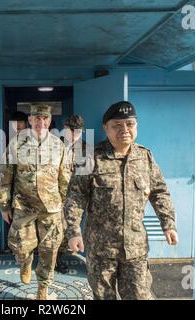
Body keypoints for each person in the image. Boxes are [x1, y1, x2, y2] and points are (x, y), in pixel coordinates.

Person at [64, 101, 178, 300]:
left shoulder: (145, 157)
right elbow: (76, 196)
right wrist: (73, 232)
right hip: (101, 249)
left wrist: (168, 224)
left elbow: (159, 192)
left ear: (136, 126)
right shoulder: (89, 157)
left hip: (135, 248)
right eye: (117, 125)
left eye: (129, 124)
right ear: (105, 128)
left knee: (139, 296)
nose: (124, 130)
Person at [0, 103, 70, 300]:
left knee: (50, 250)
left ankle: (42, 290)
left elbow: (64, 178)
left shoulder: (58, 145)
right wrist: (4, 204)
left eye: (44, 118)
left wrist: (62, 205)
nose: (41, 121)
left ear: (49, 120)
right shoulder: (15, 144)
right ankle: (25, 263)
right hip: (24, 205)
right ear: (30, 120)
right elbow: (5, 177)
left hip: (51, 207)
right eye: (36, 117)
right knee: (19, 245)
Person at [55, 115, 87, 274]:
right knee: (57, 230)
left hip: (77, 198)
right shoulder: (55, 145)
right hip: (57, 196)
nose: (74, 134)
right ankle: (56, 259)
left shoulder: (87, 149)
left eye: (78, 131)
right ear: (65, 128)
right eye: (71, 130)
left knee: (73, 228)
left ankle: (68, 254)